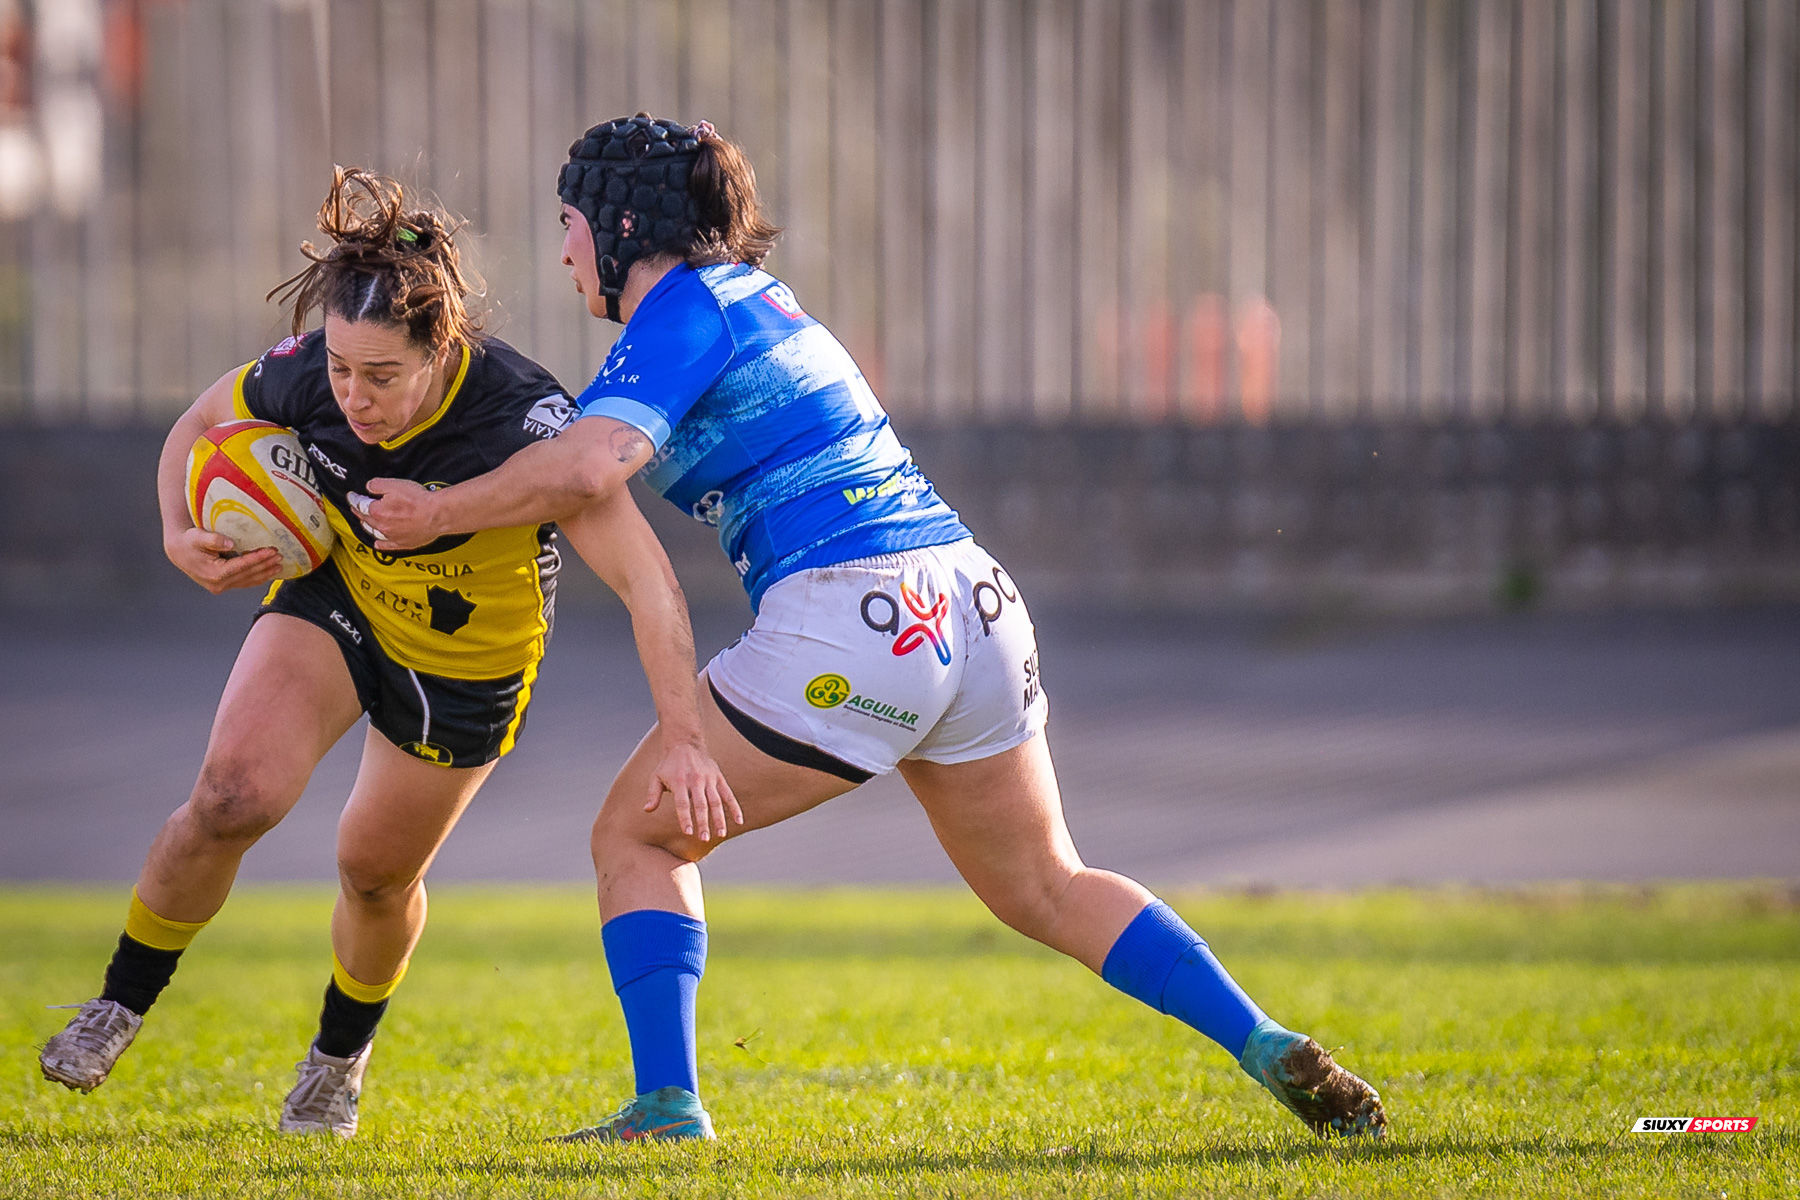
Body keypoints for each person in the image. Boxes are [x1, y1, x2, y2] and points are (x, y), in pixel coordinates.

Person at [365, 116, 1387, 1142]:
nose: (564, 250)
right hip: (975, 603)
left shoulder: (685, 309)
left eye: (571, 223)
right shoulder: (764, 301)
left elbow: (588, 466)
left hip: (853, 612)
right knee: (1046, 883)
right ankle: (1263, 1041)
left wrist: (434, 512)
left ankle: (669, 1108)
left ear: (625, 226)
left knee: (634, 833)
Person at [37, 167, 731, 1138]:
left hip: (467, 661)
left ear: (441, 349)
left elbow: (648, 583)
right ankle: (118, 1000)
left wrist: (684, 734)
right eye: (339, 372)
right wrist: (173, 529)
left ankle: (336, 1060)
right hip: (343, 595)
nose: (352, 399)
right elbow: (201, 424)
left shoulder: (521, 419)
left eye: (381, 376)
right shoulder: (311, 370)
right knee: (233, 794)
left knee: (372, 874)